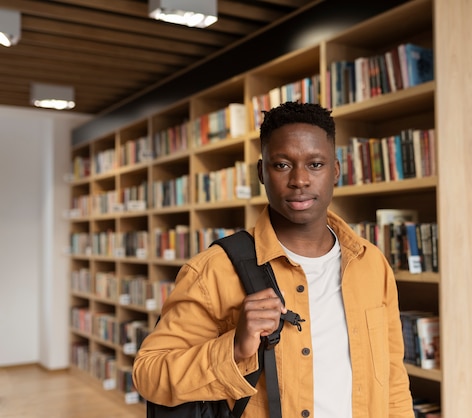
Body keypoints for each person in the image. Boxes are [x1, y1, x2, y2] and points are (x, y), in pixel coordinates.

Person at [132, 101, 414, 418]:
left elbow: (392, 380)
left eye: (315, 165)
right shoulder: (214, 269)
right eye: (282, 165)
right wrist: (233, 349)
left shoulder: (371, 263)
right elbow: (149, 373)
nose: (300, 180)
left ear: (335, 170)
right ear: (261, 173)